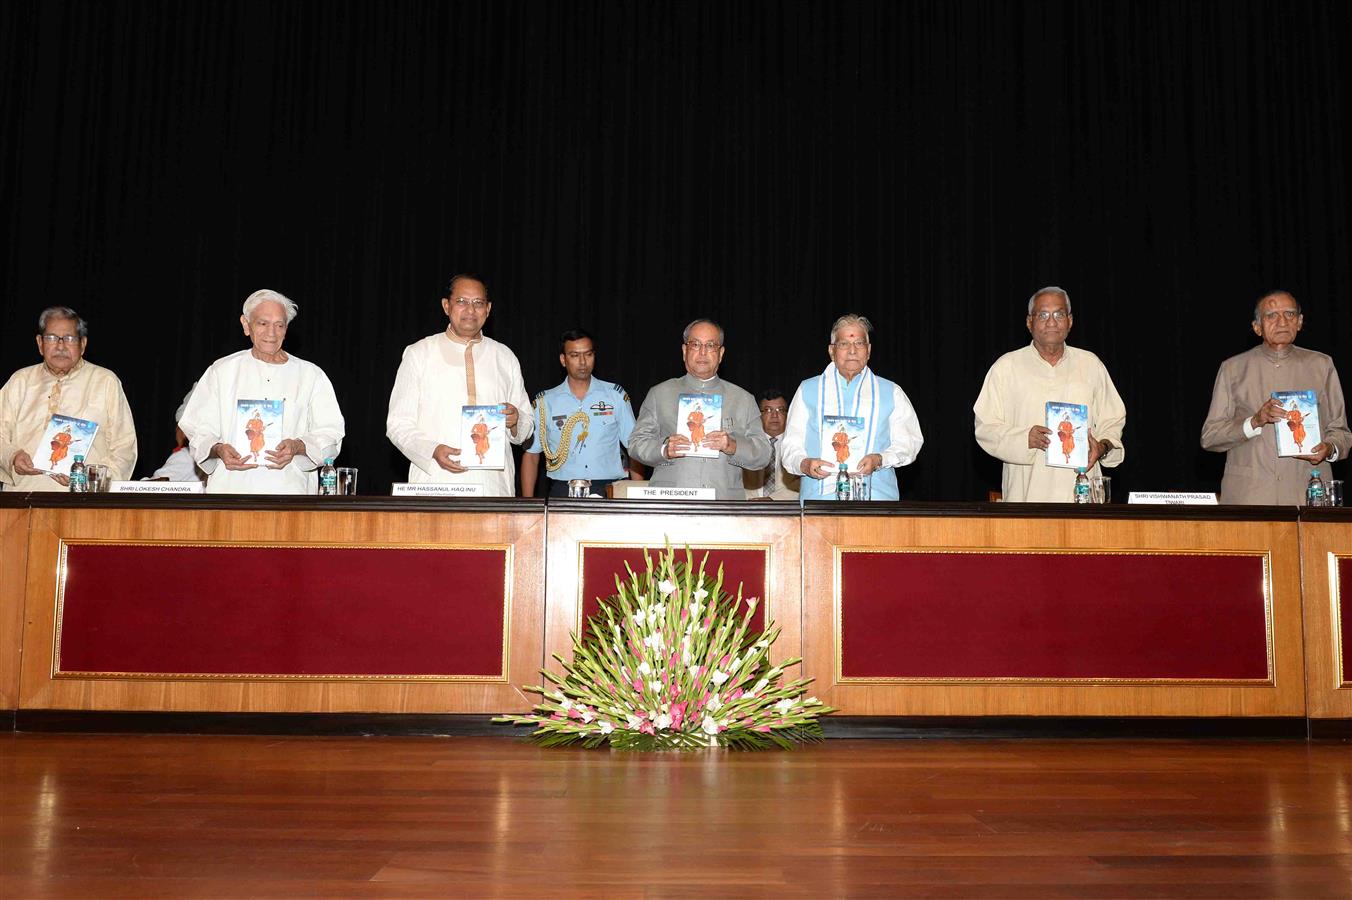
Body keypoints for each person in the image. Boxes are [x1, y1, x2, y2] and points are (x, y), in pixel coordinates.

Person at [179, 289, 345, 494]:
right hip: (230, 491)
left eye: (279, 325)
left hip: (290, 493)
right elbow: (197, 428)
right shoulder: (221, 371)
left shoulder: (311, 375)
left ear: (286, 329)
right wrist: (218, 449)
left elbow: (331, 432)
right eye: (263, 323)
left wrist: (298, 446)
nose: (271, 333)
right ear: (246, 325)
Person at [973, 287, 1125, 502]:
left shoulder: (1090, 365)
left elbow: (1113, 420)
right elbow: (985, 427)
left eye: (1059, 314)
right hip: (1026, 495)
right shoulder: (1006, 367)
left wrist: (1102, 446)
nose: (1051, 322)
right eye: (1043, 315)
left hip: (1082, 492)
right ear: (1029, 322)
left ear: (1070, 321)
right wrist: (1024, 438)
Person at [386, 273, 533, 495]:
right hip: (435, 482)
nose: (470, 310)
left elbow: (527, 425)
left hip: (493, 487)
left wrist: (515, 421)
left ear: (488, 309)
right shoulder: (419, 354)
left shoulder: (504, 357)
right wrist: (432, 450)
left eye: (478, 303)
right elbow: (398, 424)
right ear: (446, 306)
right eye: (462, 302)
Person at [1200, 290, 1350, 504]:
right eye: (1271, 316)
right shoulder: (1233, 369)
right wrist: (1255, 421)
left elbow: (1341, 433)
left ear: (1299, 322)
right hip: (1250, 497)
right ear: (1256, 327)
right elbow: (1210, 437)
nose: (1282, 322)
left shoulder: (1321, 365)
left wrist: (1329, 449)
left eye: (1289, 314)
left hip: (1308, 494)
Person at [780, 314, 924, 501]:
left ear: (869, 350)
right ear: (832, 351)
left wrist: (880, 459)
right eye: (844, 344)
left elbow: (909, 442)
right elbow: (790, 445)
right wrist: (805, 464)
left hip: (877, 499)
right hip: (819, 501)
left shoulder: (891, 392)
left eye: (859, 343)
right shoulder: (807, 390)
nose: (852, 351)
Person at [628, 319, 771, 498]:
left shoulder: (743, 399)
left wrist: (732, 445)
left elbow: (764, 455)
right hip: (671, 503)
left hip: (723, 503)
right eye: (695, 344)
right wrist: (664, 449)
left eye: (710, 345)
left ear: (721, 353)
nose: (702, 352)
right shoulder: (660, 394)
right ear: (684, 350)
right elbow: (635, 444)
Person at [0, 306, 137, 490]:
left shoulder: (105, 381)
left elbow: (124, 447)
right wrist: (12, 457)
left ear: (83, 344)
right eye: (51, 338)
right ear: (40, 343)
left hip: (82, 501)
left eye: (70, 338)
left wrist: (90, 478)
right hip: (23, 499)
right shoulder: (20, 381)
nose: (60, 345)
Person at [520, 329, 640, 497]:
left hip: (609, 489)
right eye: (575, 355)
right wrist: (528, 507)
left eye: (588, 354)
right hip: (563, 490)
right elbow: (531, 455)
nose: (583, 362)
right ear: (563, 360)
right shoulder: (545, 402)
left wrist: (638, 497)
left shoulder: (615, 396)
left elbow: (635, 448)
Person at [743, 389, 801, 500]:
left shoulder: (798, 445)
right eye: (768, 410)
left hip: (786, 510)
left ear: (788, 414)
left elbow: (802, 483)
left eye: (780, 410)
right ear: (759, 415)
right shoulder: (746, 443)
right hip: (747, 508)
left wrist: (772, 500)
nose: (774, 415)